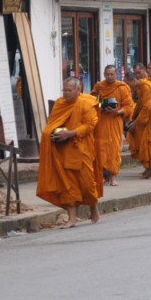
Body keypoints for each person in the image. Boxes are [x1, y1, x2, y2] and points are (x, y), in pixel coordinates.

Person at [36, 77, 100, 228]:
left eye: (69, 90)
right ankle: (72, 218)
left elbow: (90, 125)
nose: (66, 93)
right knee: (67, 184)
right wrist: (54, 135)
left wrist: (71, 133)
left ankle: (93, 205)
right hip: (63, 149)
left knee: (87, 184)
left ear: (79, 90)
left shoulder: (87, 103)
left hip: (81, 148)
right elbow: (53, 123)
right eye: (64, 90)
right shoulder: (60, 103)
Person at [90, 64, 133, 186]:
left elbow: (128, 106)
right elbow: (93, 102)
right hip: (101, 121)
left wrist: (117, 111)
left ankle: (113, 177)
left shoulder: (122, 88)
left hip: (115, 121)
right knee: (100, 149)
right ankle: (103, 176)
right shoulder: (99, 87)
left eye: (112, 74)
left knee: (114, 150)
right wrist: (101, 107)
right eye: (107, 74)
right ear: (104, 74)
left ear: (117, 74)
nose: (109, 76)